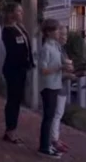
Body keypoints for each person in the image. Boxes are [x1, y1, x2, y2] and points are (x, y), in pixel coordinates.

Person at [0, 3, 34, 144]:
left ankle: (12, 130)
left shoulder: (20, 28)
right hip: (13, 69)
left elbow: (26, 48)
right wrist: (24, 62)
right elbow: (14, 51)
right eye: (18, 11)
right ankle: (10, 131)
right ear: (11, 14)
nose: (21, 13)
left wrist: (30, 62)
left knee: (17, 100)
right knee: (13, 100)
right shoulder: (8, 31)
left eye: (21, 11)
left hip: (21, 69)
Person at [37, 19, 66, 159]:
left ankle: (47, 144)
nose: (59, 32)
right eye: (56, 30)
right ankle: (43, 146)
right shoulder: (46, 48)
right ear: (48, 32)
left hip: (55, 85)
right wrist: (60, 68)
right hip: (48, 86)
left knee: (51, 116)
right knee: (48, 117)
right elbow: (43, 70)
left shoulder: (56, 46)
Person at [50, 26, 77, 153]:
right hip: (57, 87)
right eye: (62, 35)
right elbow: (53, 73)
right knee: (56, 115)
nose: (65, 37)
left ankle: (56, 138)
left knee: (58, 115)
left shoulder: (62, 50)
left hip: (63, 87)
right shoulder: (55, 50)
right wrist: (68, 75)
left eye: (66, 35)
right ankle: (53, 140)